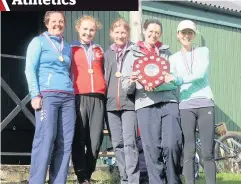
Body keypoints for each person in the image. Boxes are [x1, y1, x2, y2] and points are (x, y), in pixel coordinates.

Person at [121, 19, 183, 184]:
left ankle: (173, 180)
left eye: (157, 32)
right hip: (145, 104)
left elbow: (176, 80)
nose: (153, 35)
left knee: (172, 144)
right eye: (151, 31)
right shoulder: (132, 54)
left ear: (160, 34)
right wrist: (133, 81)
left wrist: (172, 80)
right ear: (144, 31)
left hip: (169, 102)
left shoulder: (167, 54)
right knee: (151, 149)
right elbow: (126, 87)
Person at [25, 11, 76, 184]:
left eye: (61, 21)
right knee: (45, 139)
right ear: (47, 23)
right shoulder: (38, 42)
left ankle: (58, 181)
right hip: (47, 96)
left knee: (65, 143)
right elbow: (30, 69)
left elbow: (70, 72)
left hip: (68, 97)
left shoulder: (67, 46)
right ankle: (36, 181)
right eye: (54, 21)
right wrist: (35, 94)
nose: (58, 24)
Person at [165, 20, 216, 184]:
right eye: (183, 32)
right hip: (186, 105)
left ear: (194, 35)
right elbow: (170, 81)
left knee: (207, 151)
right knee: (188, 150)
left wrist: (178, 79)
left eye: (190, 33)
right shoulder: (172, 58)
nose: (186, 36)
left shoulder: (203, 51)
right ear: (178, 35)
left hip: (205, 103)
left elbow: (200, 74)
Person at [70, 15, 106, 184]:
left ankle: (88, 174)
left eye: (91, 29)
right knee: (79, 138)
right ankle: (81, 177)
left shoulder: (99, 50)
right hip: (79, 96)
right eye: (85, 29)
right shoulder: (71, 49)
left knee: (96, 139)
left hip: (98, 98)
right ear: (78, 28)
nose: (88, 32)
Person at [104, 18, 140, 184]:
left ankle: (133, 180)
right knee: (117, 144)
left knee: (130, 144)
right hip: (111, 105)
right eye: (117, 32)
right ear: (112, 34)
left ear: (128, 34)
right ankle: (124, 179)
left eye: (123, 32)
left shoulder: (135, 52)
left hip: (129, 104)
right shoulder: (106, 54)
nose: (120, 35)